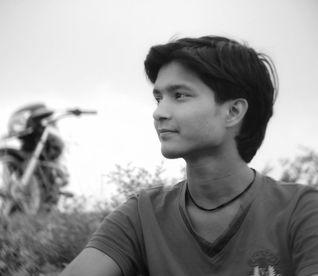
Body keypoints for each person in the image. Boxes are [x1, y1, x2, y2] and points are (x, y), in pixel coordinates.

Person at [60, 36, 318, 276]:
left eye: (179, 96)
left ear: (233, 111)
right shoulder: (141, 215)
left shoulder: (302, 211)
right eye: (158, 98)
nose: (159, 112)